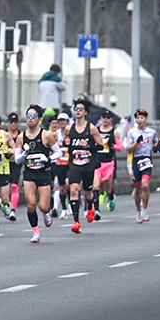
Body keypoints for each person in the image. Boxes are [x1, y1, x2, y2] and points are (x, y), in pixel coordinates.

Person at [62, 99, 108, 233]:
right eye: (76, 109)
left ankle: (90, 206)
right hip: (74, 163)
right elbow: (66, 143)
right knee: (74, 189)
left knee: (88, 193)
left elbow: (100, 146)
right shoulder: (68, 128)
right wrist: (66, 143)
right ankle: (76, 222)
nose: (78, 112)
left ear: (86, 112)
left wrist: (88, 146)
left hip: (88, 164)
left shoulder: (91, 128)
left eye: (81, 109)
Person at [17, 104, 59, 243]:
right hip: (29, 173)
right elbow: (17, 160)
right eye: (28, 116)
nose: (30, 119)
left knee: (43, 206)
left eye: (33, 116)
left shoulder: (46, 135)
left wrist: (48, 158)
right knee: (30, 204)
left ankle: (46, 213)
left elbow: (58, 152)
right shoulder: (21, 137)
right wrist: (24, 154)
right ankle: (35, 232)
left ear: (39, 119)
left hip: (43, 173)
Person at [124, 109, 158, 222]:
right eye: (138, 118)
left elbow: (156, 143)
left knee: (145, 185)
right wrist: (136, 143)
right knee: (138, 188)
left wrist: (158, 146)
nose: (140, 120)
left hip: (147, 159)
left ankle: (144, 209)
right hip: (136, 160)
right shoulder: (132, 133)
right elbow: (128, 149)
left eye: (142, 118)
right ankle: (138, 210)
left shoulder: (152, 132)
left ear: (145, 119)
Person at [93, 111, 120, 213]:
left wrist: (111, 145)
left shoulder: (114, 132)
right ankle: (96, 210)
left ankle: (111, 197)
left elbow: (120, 147)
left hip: (108, 162)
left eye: (108, 117)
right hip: (97, 162)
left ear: (111, 119)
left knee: (108, 187)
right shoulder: (96, 130)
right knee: (96, 186)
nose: (105, 119)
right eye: (103, 117)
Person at [51, 112, 71, 218]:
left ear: (67, 122)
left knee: (69, 184)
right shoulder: (55, 134)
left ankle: (71, 202)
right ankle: (64, 208)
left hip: (70, 162)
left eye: (64, 121)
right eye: (60, 121)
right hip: (59, 163)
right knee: (62, 188)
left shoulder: (72, 133)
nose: (62, 123)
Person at [4, 112, 23, 220]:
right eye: (11, 122)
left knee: (14, 186)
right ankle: (5, 204)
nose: (13, 124)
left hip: (16, 163)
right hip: (4, 163)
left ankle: (13, 210)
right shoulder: (3, 134)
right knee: (4, 188)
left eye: (15, 122)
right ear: (8, 123)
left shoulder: (21, 135)